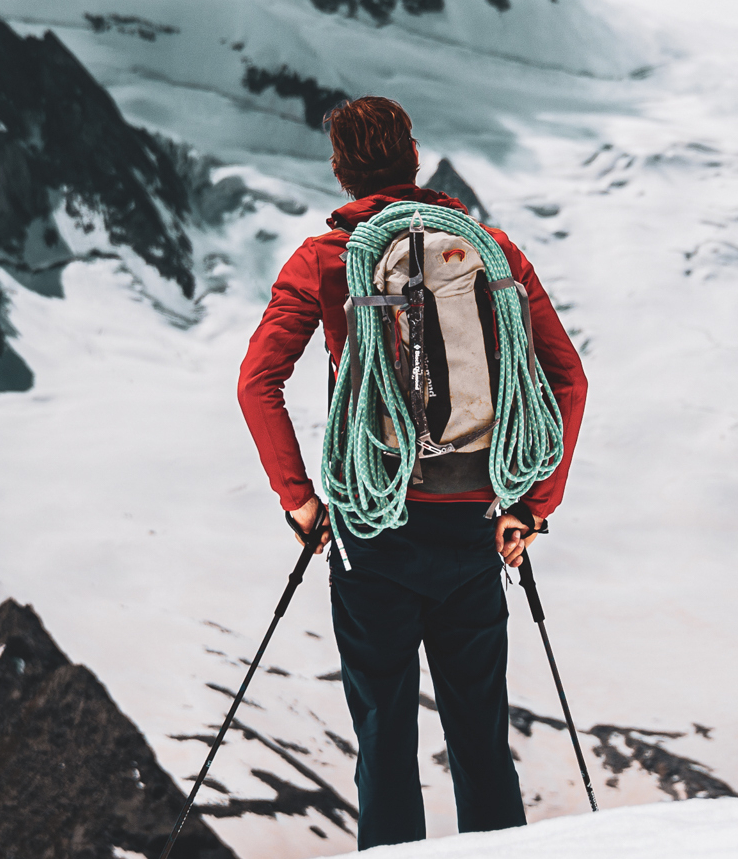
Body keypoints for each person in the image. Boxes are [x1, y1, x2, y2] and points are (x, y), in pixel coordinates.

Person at [236, 96, 588, 849]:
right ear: (415, 156)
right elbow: (567, 379)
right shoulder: (490, 252)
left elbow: (256, 383)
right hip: (472, 528)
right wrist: (528, 506)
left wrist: (300, 501)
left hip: (373, 535)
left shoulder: (326, 260)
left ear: (341, 172)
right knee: (482, 748)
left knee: (386, 748)